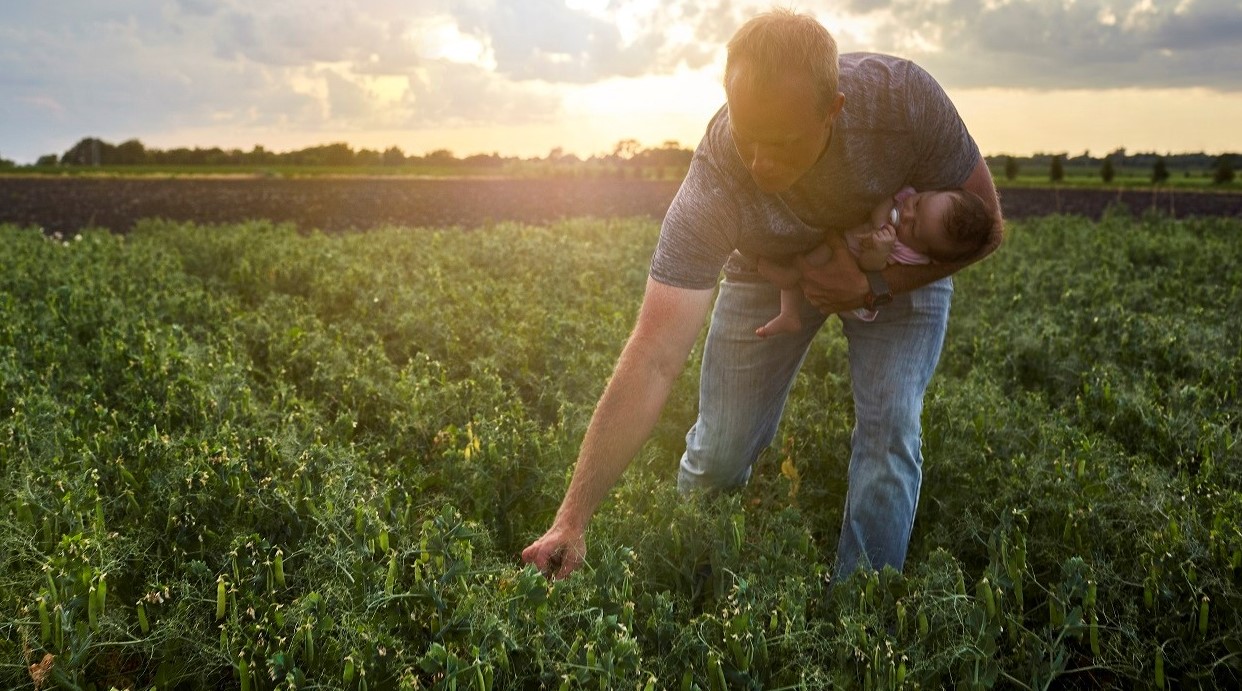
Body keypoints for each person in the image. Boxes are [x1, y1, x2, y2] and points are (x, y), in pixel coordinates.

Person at [522, 8, 1003, 580]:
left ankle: (861, 611)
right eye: (749, 137)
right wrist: (572, 518)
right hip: (768, 268)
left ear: (834, 111)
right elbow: (653, 356)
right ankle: (689, 581)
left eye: (783, 143)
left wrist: (873, 282)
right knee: (720, 449)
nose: (761, 163)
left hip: (902, 261)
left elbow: (988, 228)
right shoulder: (716, 183)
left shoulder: (903, 101)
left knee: (890, 427)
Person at [757, 185, 995, 336]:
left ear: (925, 253)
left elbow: (870, 269)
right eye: (919, 204)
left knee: (807, 262)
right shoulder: (908, 196)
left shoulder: (909, 255)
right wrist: (880, 224)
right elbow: (884, 200)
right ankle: (789, 312)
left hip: (850, 260)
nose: (908, 214)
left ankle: (789, 296)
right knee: (808, 250)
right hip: (841, 237)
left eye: (914, 228)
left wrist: (879, 253)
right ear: (931, 191)